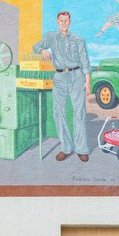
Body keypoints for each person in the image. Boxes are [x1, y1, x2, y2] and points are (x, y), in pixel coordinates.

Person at [33, 10, 92, 161]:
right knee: (58, 113)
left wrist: (88, 81)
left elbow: (85, 61)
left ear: (69, 22)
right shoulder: (51, 37)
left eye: (66, 20)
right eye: (61, 21)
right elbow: (36, 46)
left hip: (77, 76)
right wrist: (43, 49)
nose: (64, 23)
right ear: (57, 22)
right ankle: (66, 147)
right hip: (59, 77)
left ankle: (81, 149)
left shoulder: (78, 39)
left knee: (79, 113)